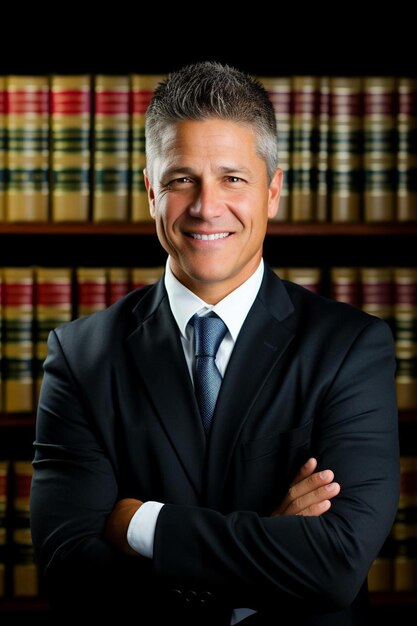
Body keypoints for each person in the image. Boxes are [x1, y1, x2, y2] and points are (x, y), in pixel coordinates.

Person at [30, 62, 399, 625]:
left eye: (233, 178)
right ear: (151, 189)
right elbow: (68, 570)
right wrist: (270, 534)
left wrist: (139, 524)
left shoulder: (350, 346)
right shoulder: (81, 357)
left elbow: (336, 564)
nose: (206, 206)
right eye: (182, 179)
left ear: (272, 191)